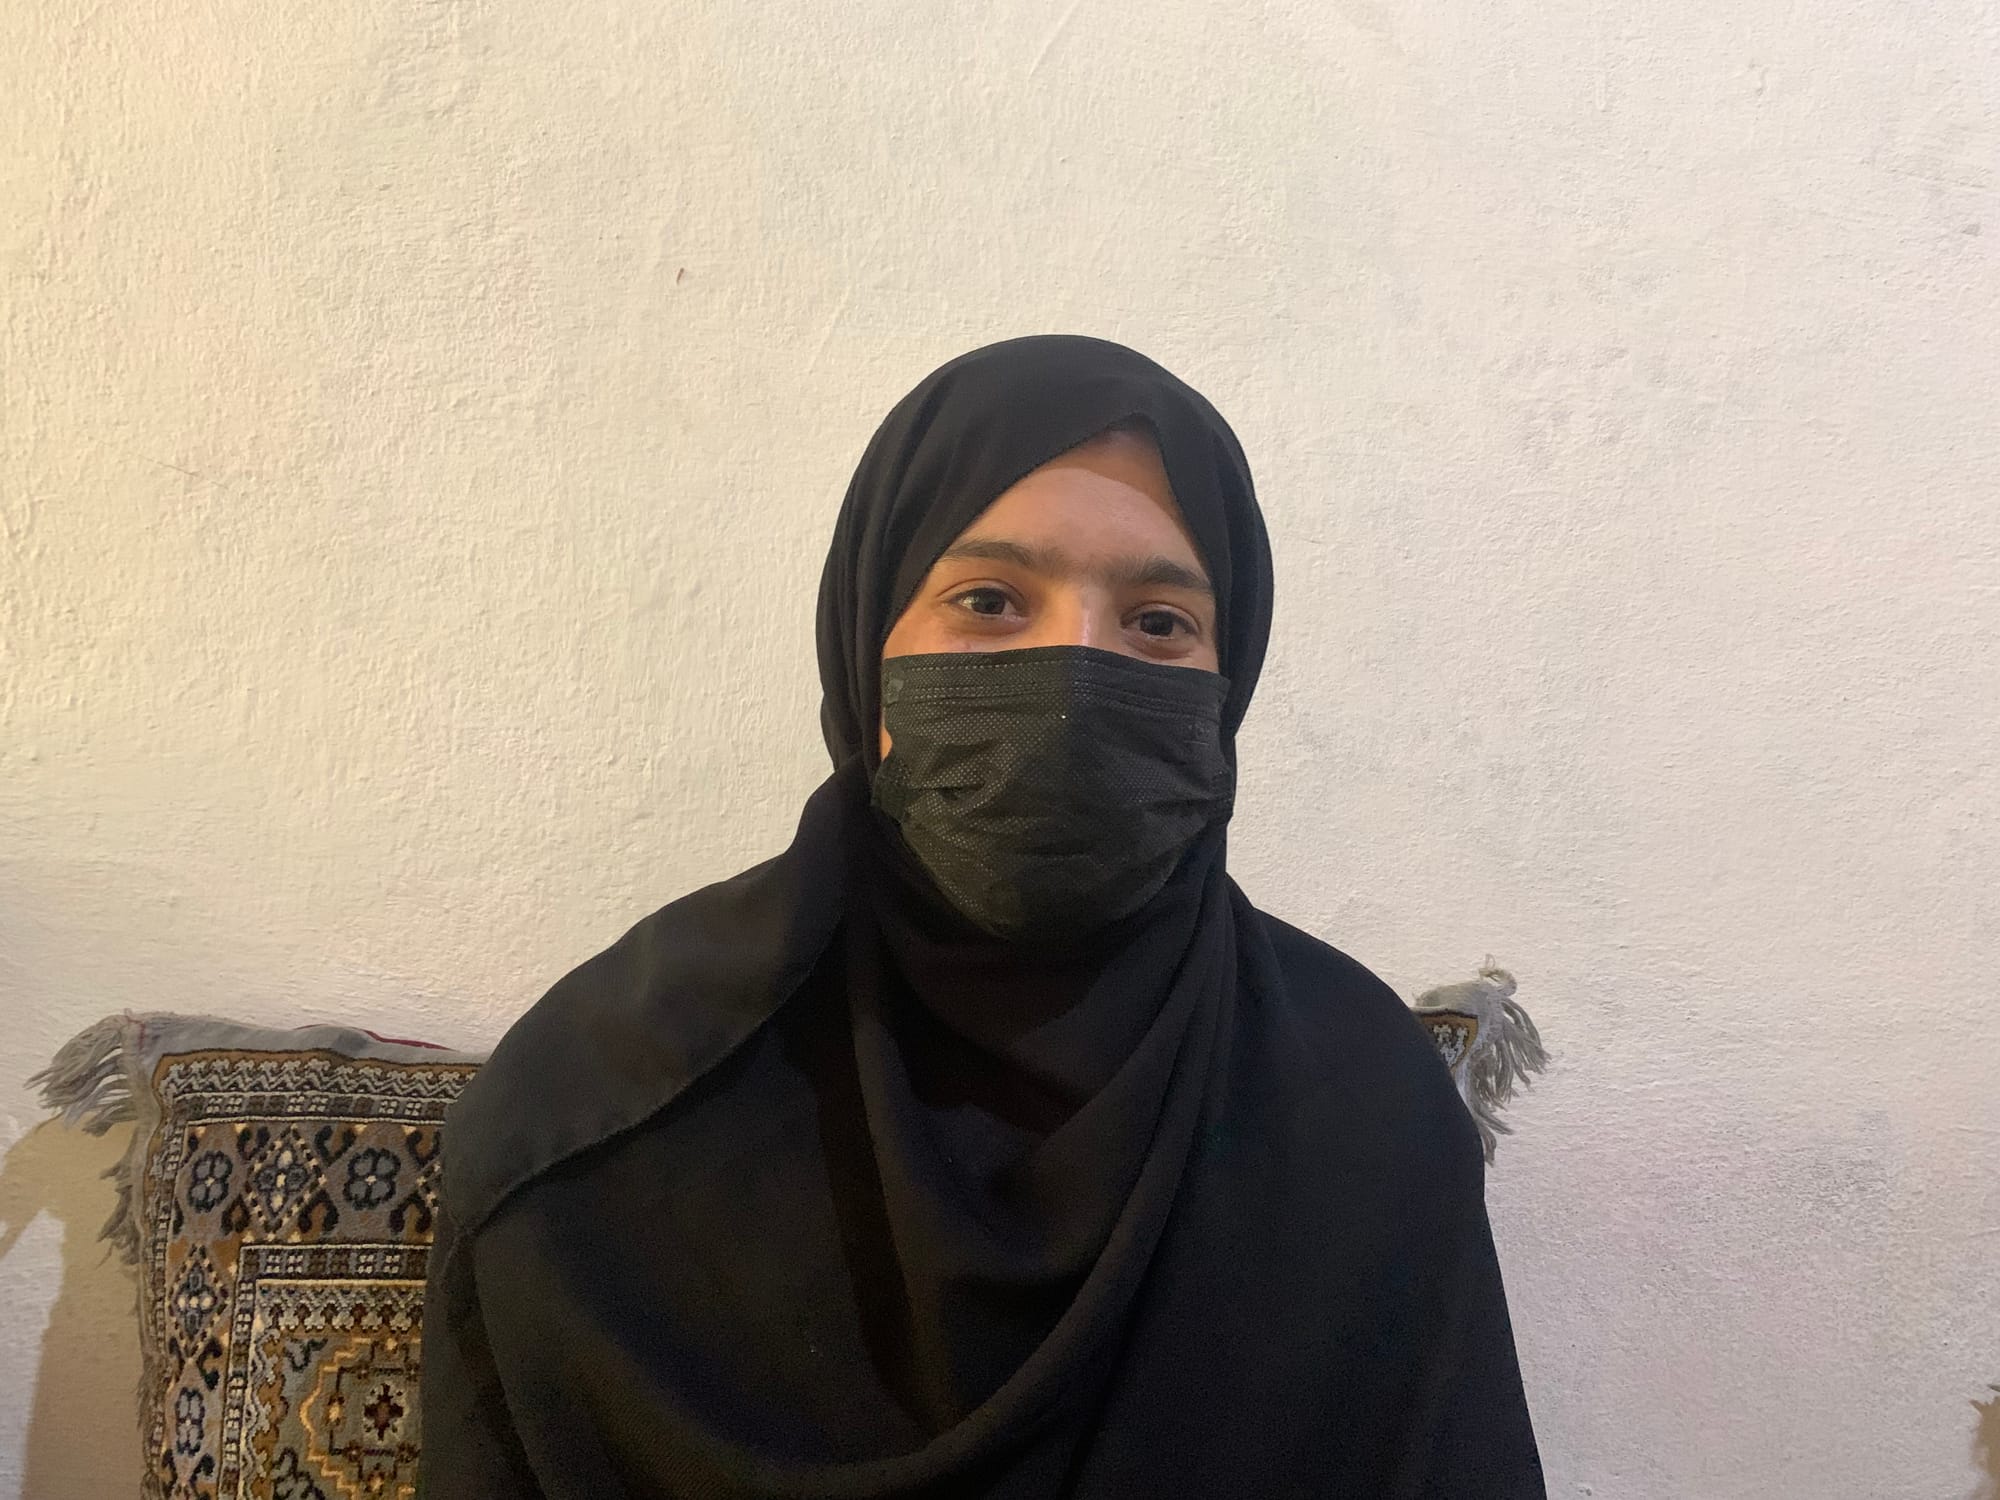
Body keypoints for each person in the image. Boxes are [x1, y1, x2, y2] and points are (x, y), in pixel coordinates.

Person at [418, 334, 1546, 1498]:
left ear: (1229, 678)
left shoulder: (1366, 1112)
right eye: (990, 601)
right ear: (865, 641)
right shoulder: (593, 1127)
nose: (1070, 685)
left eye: (1158, 621)